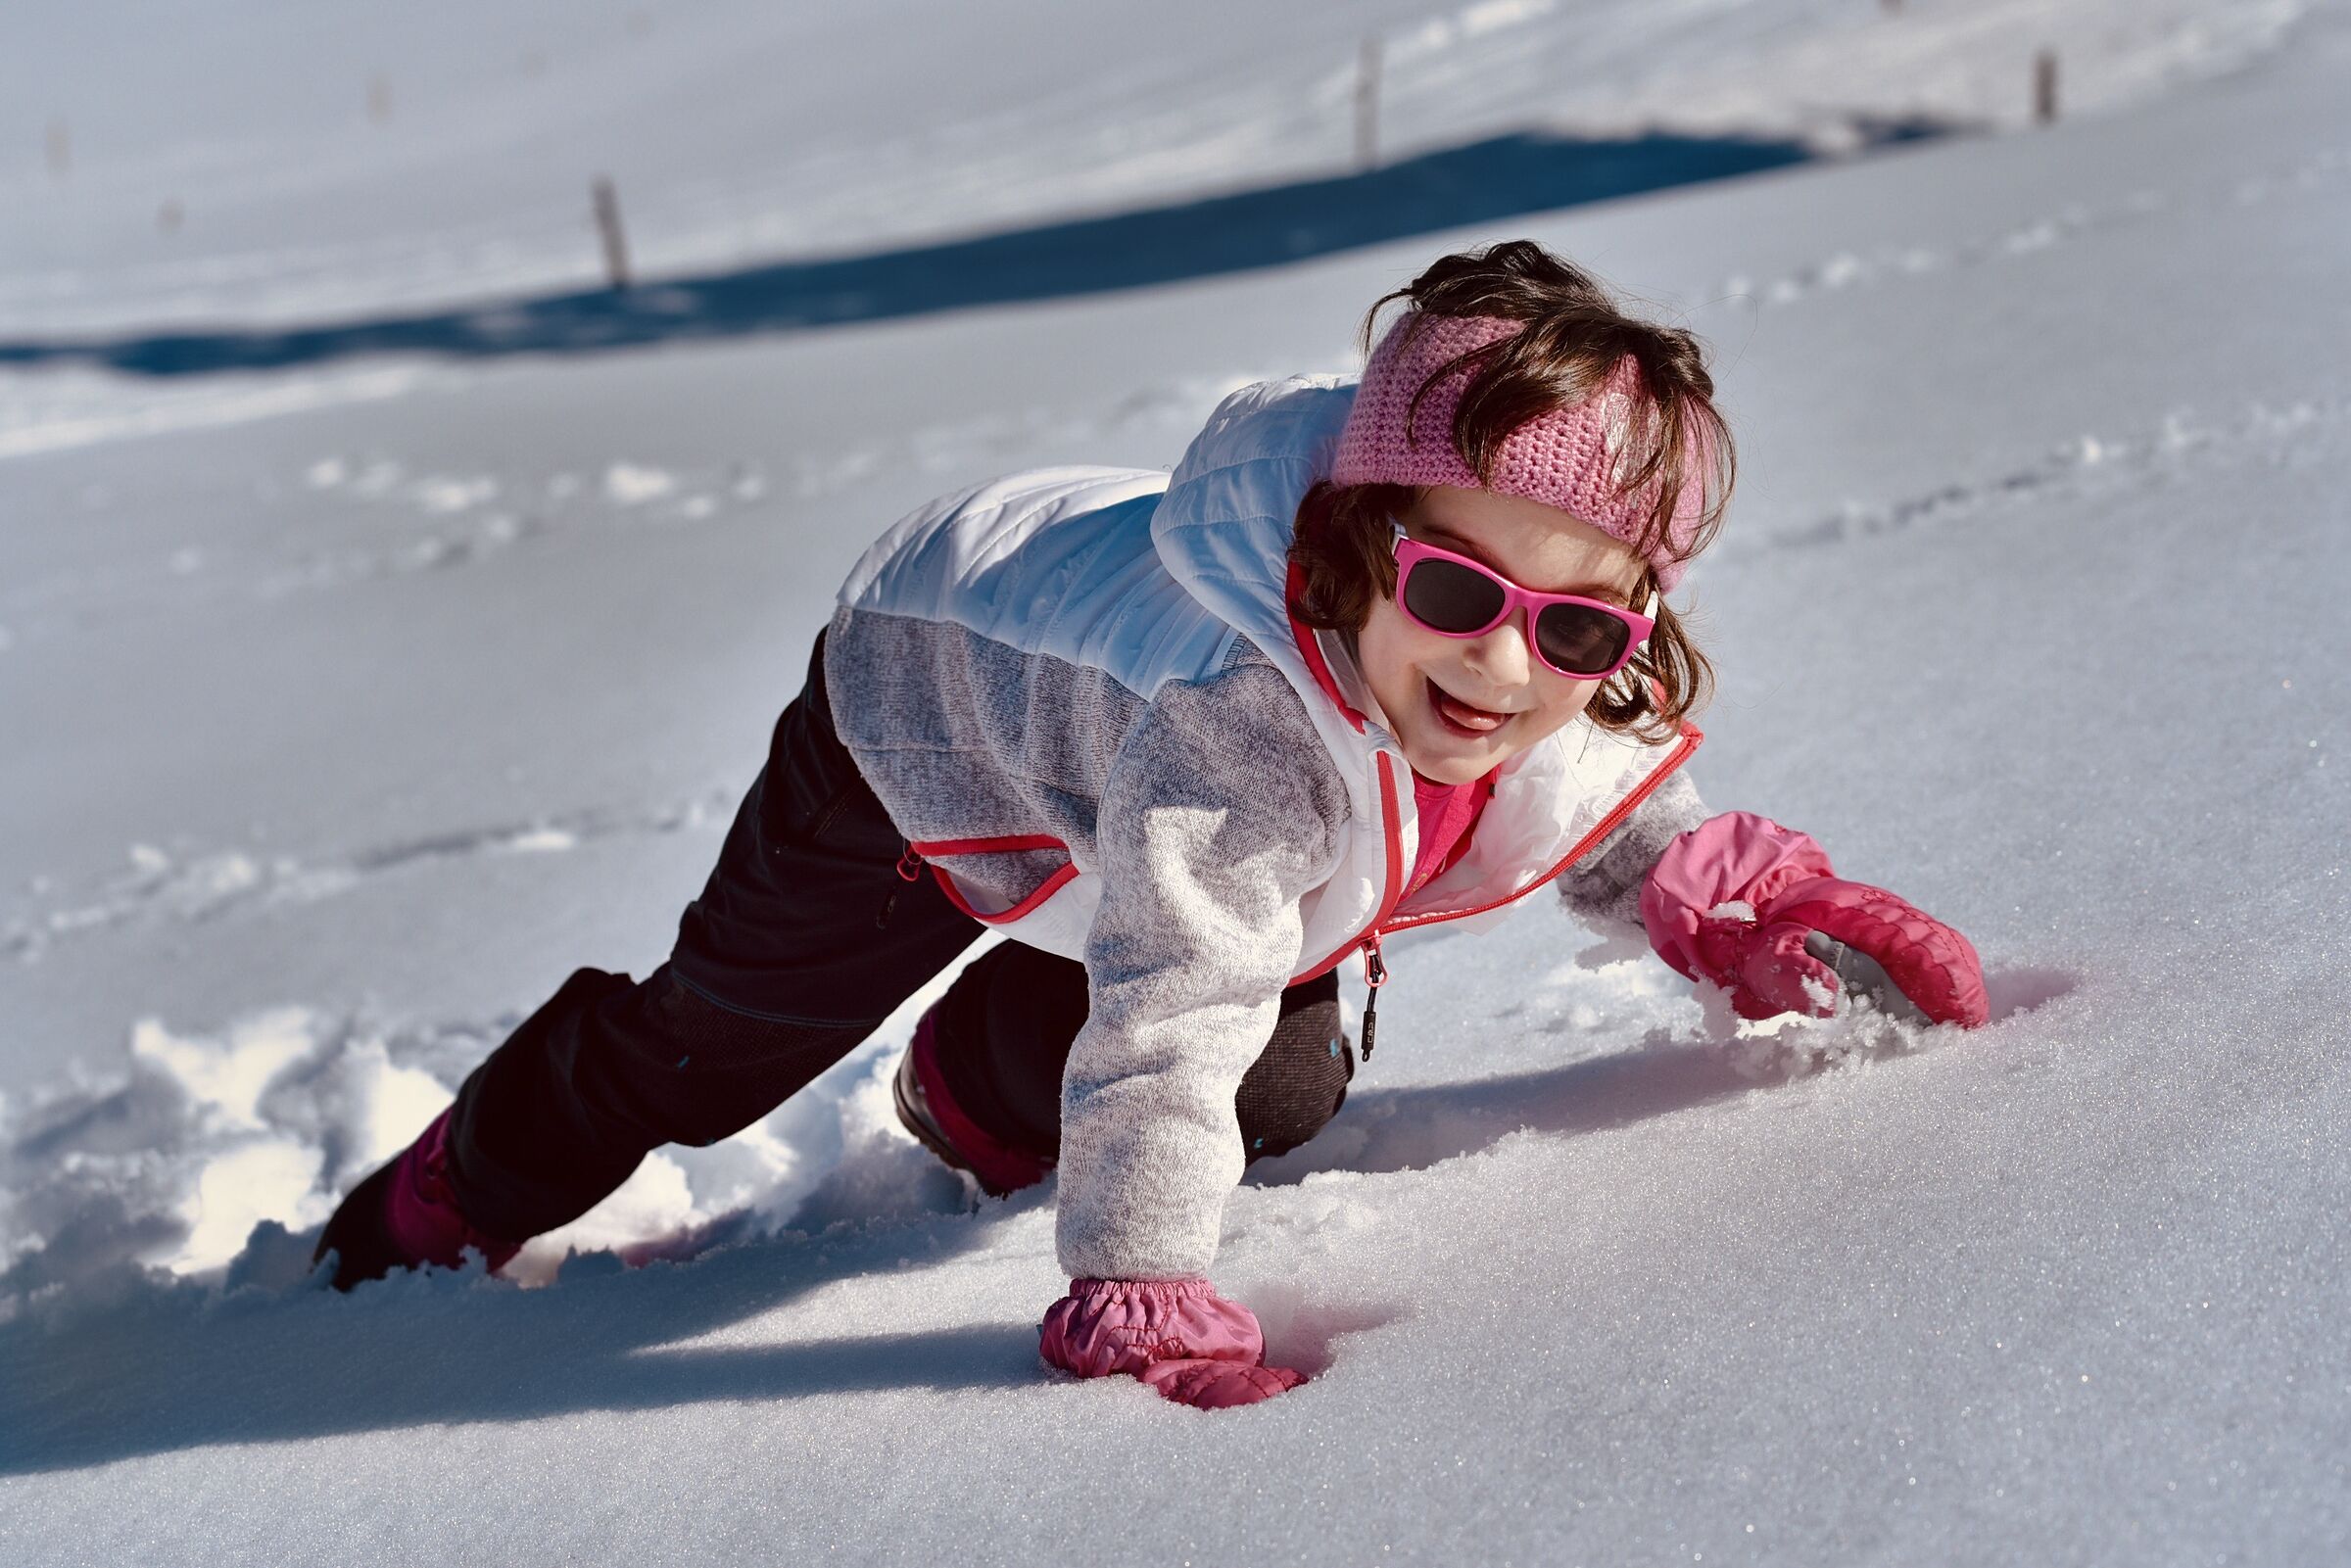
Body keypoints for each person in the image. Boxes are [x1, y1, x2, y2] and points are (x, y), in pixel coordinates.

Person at [313, 240, 1987, 1408]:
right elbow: (1168, 1023)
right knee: (719, 1049)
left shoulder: (1527, 664)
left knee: (1288, 1071)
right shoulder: (1241, 735)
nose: (1503, 658)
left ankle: (971, 1087)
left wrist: (1740, 902)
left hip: (1122, 793)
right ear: (1357, 542)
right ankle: (453, 1187)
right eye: (1459, 587)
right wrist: (1134, 1276)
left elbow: (1590, 776)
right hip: (934, 721)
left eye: (1573, 626)